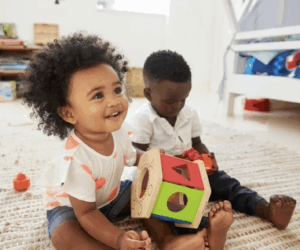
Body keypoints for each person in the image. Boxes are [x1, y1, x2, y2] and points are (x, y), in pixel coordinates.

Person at [128, 50, 297, 249]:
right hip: (164, 179)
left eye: (184, 99)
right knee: (176, 208)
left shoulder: (189, 114)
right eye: (171, 101)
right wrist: (167, 164)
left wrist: (207, 157)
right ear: (148, 94)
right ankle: (208, 231)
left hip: (193, 171)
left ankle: (266, 209)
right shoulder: (142, 119)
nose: (178, 106)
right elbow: (137, 156)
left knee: (229, 184)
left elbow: (197, 143)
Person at [22, 33, 153, 250]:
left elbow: (132, 156)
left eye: (117, 90)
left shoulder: (118, 132)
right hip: (73, 209)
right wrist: (118, 239)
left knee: (148, 191)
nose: (114, 101)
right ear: (68, 113)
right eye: (98, 96)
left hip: (110, 197)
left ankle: (172, 240)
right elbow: (87, 212)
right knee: (66, 237)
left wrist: (153, 160)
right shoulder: (74, 160)